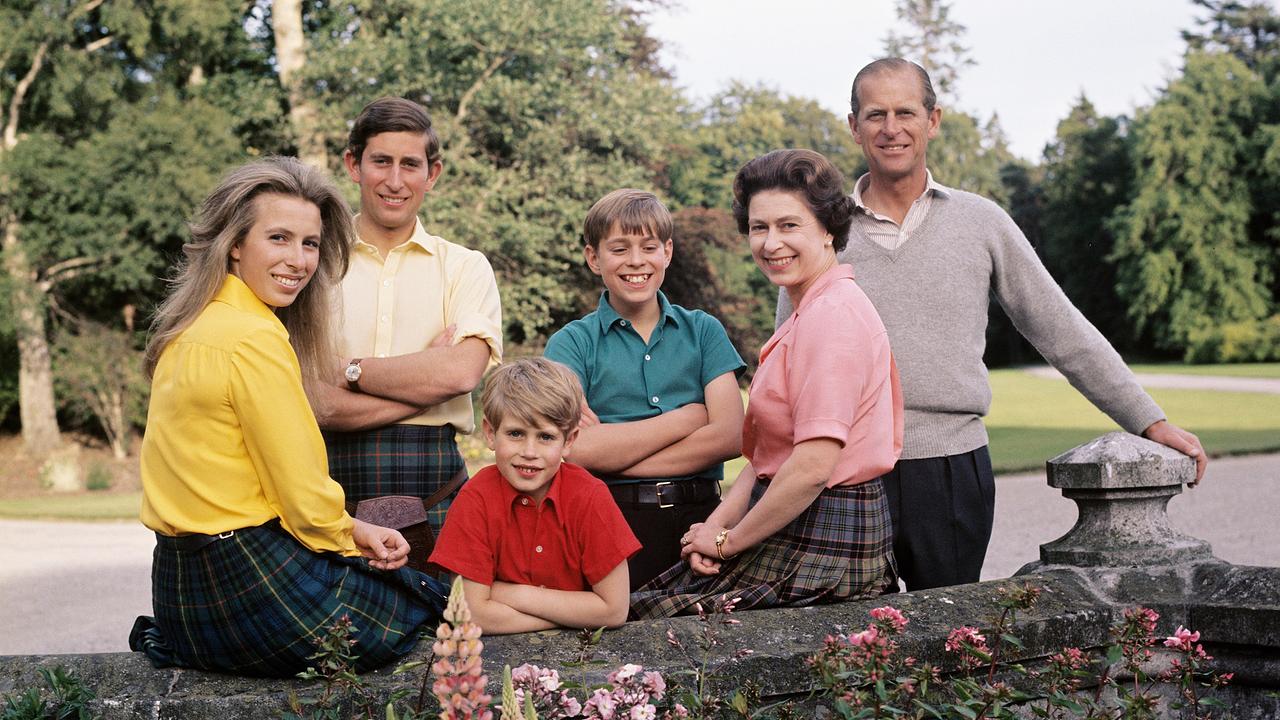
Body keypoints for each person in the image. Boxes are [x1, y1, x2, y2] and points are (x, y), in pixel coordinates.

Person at [776, 57, 1209, 592]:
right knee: (848, 646)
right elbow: (789, 361)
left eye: (905, 112)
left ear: (933, 120)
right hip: (845, 472)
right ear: (853, 126)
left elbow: (1060, 328)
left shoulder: (980, 221)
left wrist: (1150, 421)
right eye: (875, 114)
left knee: (951, 638)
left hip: (952, 468)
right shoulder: (824, 231)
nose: (891, 129)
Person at [129, 157, 446, 677]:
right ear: (235, 244)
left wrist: (348, 533)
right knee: (427, 605)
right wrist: (352, 533)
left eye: (310, 243)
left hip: (179, 592)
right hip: (248, 583)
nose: (298, 260)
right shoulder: (255, 338)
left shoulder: (189, 327)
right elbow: (303, 500)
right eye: (278, 238)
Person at [631, 149, 903, 619]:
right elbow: (766, 463)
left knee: (648, 623)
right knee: (643, 614)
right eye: (760, 228)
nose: (771, 243)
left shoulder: (833, 316)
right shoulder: (810, 311)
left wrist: (728, 541)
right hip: (795, 519)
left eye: (788, 225)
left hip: (827, 533)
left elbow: (811, 468)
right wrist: (714, 530)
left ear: (828, 230)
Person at [310, 97, 503, 533]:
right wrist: (422, 386)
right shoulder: (312, 264)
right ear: (353, 165)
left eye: (410, 164)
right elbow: (307, 399)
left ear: (431, 174)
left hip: (436, 486)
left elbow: (459, 376)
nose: (395, 181)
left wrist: (348, 372)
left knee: (443, 605)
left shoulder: (465, 267)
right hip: (323, 487)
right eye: (381, 161)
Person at [544, 189, 746, 590]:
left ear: (667, 252)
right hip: (608, 520)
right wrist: (687, 418)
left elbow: (731, 435)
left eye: (648, 247)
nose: (636, 261)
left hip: (700, 521)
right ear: (593, 258)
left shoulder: (703, 330)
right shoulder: (569, 345)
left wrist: (613, 457)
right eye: (619, 249)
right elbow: (575, 448)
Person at [427, 358, 640, 634]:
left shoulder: (590, 497)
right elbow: (470, 614)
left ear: (569, 440)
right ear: (491, 433)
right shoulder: (475, 499)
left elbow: (613, 609)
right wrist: (571, 618)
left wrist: (513, 595)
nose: (529, 451)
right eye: (516, 433)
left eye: (546, 437)